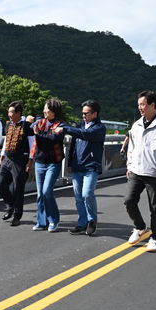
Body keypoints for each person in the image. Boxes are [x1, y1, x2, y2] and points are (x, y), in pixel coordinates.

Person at [124, 90, 156, 252]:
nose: (140, 107)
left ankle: (155, 238)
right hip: (136, 171)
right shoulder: (137, 125)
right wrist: (129, 165)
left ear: (152, 105)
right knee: (129, 201)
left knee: (155, 207)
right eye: (139, 104)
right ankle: (140, 227)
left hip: (154, 172)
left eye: (143, 104)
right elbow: (131, 147)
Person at [55, 100, 106, 236]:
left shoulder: (100, 128)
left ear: (95, 114)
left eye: (86, 113)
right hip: (77, 167)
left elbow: (85, 134)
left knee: (87, 194)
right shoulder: (79, 127)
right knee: (78, 197)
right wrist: (70, 164)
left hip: (91, 167)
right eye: (82, 113)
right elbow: (73, 146)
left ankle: (91, 221)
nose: (83, 115)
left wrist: (66, 129)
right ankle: (82, 223)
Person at [29, 99, 66, 232]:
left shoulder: (61, 124)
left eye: (48, 110)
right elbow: (29, 128)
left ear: (54, 112)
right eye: (44, 109)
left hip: (53, 163)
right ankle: (41, 221)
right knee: (40, 194)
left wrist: (39, 133)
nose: (45, 111)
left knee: (46, 191)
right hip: (40, 161)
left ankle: (53, 220)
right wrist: (32, 122)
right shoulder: (41, 121)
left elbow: (54, 139)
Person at [0, 101, 34, 226]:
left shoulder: (27, 126)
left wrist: (30, 162)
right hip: (7, 158)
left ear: (18, 113)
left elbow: (32, 144)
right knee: (0, 185)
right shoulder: (8, 125)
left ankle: (17, 215)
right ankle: (10, 206)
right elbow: (6, 140)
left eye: (12, 112)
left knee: (18, 188)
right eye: (9, 112)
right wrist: (2, 157)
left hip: (20, 160)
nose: (9, 114)